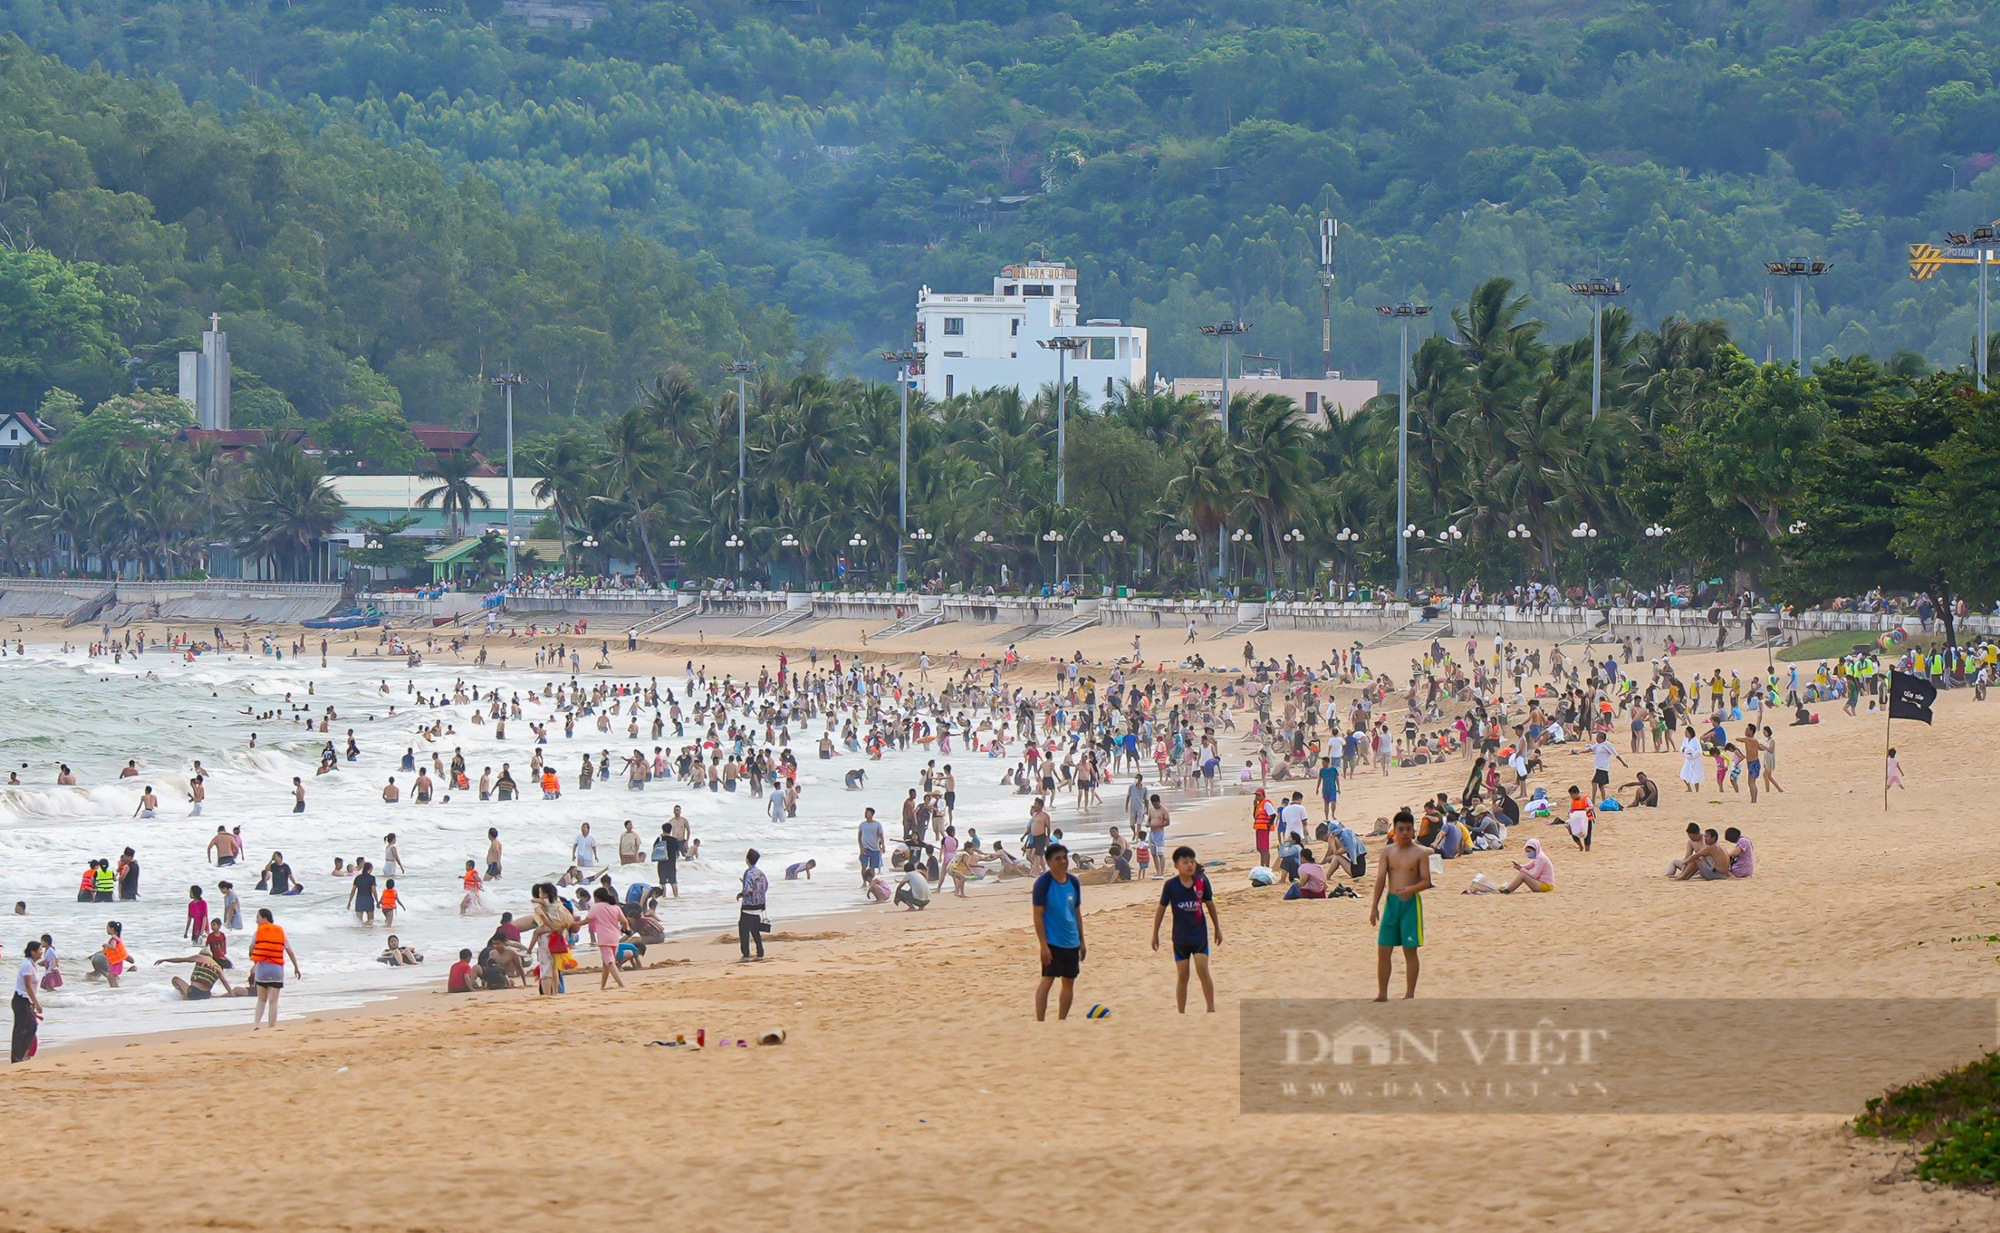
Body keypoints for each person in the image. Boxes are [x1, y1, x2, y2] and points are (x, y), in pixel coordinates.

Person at [1369, 808, 1432, 1001]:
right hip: (1391, 903)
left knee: (1409, 949)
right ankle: (1382, 994)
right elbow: (1380, 879)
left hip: (1410, 903)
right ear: (1394, 831)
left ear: (1413, 831)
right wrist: (1374, 906)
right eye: (1401, 829)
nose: (1405, 833)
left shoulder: (1420, 853)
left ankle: (1409, 994)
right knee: (1384, 949)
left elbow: (1426, 881)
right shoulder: (1387, 851)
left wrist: (1411, 890)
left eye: (1408, 829)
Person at [1151, 846, 1221, 1013]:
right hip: (1180, 938)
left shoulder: (1201, 882)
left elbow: (1210, 905)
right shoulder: (1171, 886)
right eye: (1185, 862)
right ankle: (1181, 1012)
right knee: (1183, 976)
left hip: (1199, 936)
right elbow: (1161, 909)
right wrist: (1155, 934)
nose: (1190, 865)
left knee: (1202, 970)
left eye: (1192, 861)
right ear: (1176, 865)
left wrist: (1217, 928)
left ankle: (1210, 1009)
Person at [1031, 842, 1084, 1021]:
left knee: (1069, 981)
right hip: (1052, 942)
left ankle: (1062, 1020)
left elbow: (1076, 912)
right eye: (1058, 858)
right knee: (1048, 979)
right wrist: (1043, 946)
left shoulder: (1073, 882)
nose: (1063, 862)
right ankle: (1040, 1021)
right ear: (1048, 862)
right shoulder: (1043, 884)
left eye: (1064, 857)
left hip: (1071, 941)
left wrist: (1082, 941)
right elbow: (1038, 916)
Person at [249, 908, 302, 1029]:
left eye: (258, 917)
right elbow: (289, 951)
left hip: (262, 969)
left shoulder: (257, 933)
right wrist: (296, 967)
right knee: (273, 1001)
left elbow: (252, 948)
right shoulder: (280, 931)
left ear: (265, 918)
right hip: (276, 970)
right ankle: (271, 1027)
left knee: (261, 1000)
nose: (256, 920)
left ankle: (256, 1024)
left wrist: (254, 957)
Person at [154, 950, 242, 1000]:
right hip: (206, 995)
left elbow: (180, 959)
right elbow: (225, 982)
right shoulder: (218, 967)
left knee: (175, 979)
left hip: (194, 993)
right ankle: (186, 995)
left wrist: (165, 960)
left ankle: (185, 997)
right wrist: (232, 995)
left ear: (202, 954)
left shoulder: (200, 957)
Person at [585, 887, 627, 990]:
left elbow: (587, 920)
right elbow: (625, 921)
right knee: (606, 963)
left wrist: (574, 924)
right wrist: (625, 929)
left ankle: (620, 983)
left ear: (597, 897)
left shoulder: (597, 906)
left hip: (604, 938)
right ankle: (602, 986)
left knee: (610, 962)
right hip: (615, 937)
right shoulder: (615, 907)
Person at [12, 939, 44, 1063]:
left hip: (26, 1001)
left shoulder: (33, 964)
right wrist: (36, 1002)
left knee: (31, 1027)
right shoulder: (26, 964)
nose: (41, 952)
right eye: (39, 950)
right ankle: (17, 1057)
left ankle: (21, 1054)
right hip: (20, 1000)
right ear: (32, 952)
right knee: (21, 1028)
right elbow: (28, 985)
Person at [736, 849, 769, 962]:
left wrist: (741, 894)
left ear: (747, 860)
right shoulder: (761, 873)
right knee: (755, 930)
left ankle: (746, 955)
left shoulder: (748, 873)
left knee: (743, 929)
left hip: (748, 907)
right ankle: (760, 953)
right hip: (759, 906)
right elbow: (765, 887)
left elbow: (748, 890)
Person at [1587, 735, 1627, 804]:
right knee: (1601, 785)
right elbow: (1590, 749)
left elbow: (1616, 754)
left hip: (1603, 768)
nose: (1596, 738)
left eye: (1597, 737)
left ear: (1601, 738)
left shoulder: (1607, 745)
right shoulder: (1597, 744)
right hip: (1599, 767)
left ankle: (1593, 800)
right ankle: (1604, 800)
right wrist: (1580, 752)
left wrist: (1623, 763)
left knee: (1594, 783)